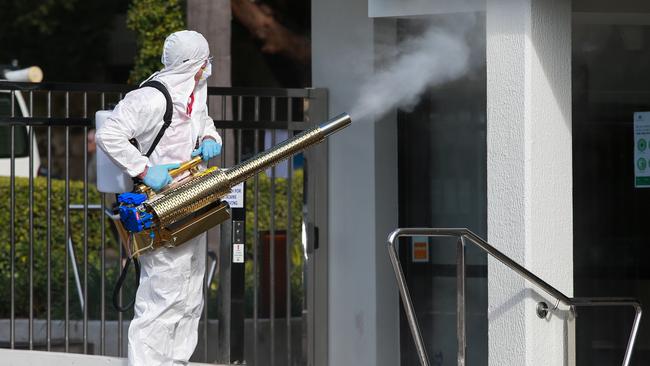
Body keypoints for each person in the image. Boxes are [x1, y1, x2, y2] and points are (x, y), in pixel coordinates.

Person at [96, 30, 222, 366]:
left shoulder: (192, 92)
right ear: (191, 63)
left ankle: (176, 362)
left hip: (190, 199)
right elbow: (109, 134)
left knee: (190, 291)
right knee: (163, 295)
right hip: (160, 204)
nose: (208, 67)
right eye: (204, 60)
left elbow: (202, 118)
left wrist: (209, 135)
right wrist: (144, 169)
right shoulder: (150, 99)